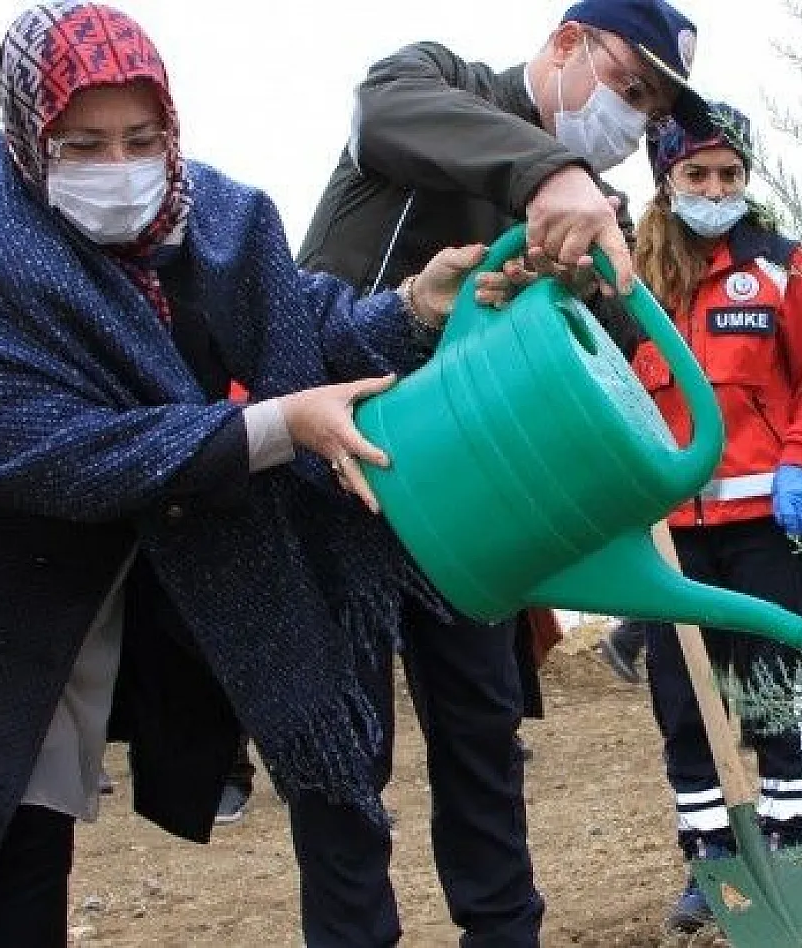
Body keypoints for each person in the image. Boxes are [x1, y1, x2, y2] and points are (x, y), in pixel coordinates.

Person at [0, 5, 527, 946]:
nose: (118, 166)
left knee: (325, 745)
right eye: (82, 142)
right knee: (9, 850)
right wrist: (271, 426)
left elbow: (301, 336)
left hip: (138, 556)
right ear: (26, 133)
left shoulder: (216, 219)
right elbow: (56, 451)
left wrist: (417, 304)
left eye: (141, 137)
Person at [294, 0, 710, 936]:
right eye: (627, 85)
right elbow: (382, 110)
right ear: (566, 45)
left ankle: (503, 929)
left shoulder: (592, 217)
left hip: (473, 504)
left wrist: (587, 289)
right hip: (338, 475)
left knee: (482, 740)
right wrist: (549, 172)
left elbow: (589, 367)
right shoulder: (439, 82)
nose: (629, 120)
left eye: (647, 110)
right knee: (345, 765)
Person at [631, 102, 802, 933]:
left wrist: (800, 455)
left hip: (767, 526)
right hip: (667, 537)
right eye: (697, 174)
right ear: (666, 178)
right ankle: (712, 863)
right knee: (686, 706)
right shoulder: (629, 278)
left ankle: (798, 854)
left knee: (783, 696)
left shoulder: (785, 266)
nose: (715, 189)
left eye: (729, 175)